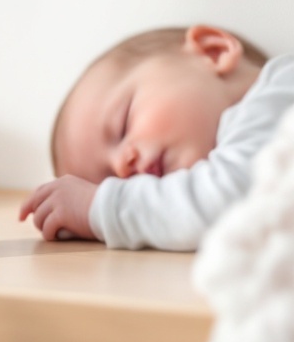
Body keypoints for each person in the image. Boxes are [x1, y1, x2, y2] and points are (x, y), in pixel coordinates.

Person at [19, 25, 294, 251]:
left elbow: (231, 204)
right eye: (107, 183)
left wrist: (98, 208)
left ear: (213, 52)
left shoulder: (281, 90)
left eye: (123, 124)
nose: (121, 168)